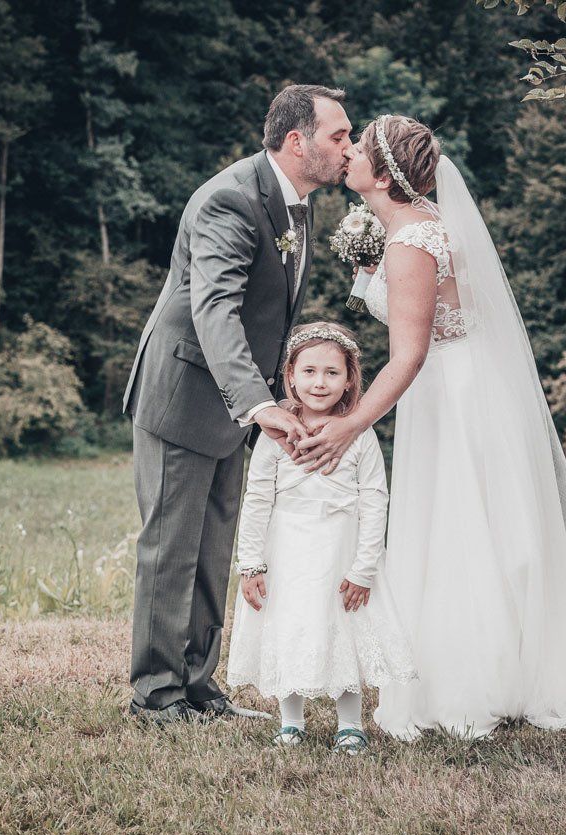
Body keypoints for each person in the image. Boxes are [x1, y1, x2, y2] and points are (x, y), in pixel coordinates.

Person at [294, 115, 566, 739]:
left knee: (458, 523)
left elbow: (409, 354)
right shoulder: (415, 226)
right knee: (474, 521)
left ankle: (468, 684)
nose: (349, 152)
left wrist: (351, 424)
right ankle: (500, 666)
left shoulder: (412, 242)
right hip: (460, 380)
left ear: (383, 177)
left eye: (360, 146)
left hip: (447, 389)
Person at [120, 85, 353, 724]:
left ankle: (198, 686)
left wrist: (269, 399)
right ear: (297, 141)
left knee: (212, 549)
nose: (349, 147)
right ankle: (156, 696)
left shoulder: (296, 204)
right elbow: (215, 309)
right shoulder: (230, 199)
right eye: (339, 135)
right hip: (185, 393)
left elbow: (268, 315)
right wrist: (258, 403)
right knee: (170, 549)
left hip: (230, 407)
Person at [226, 322, 415, 754]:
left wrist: (364, 569)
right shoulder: (275, 435)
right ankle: (291, 722)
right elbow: (257, 499)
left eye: (332, 372)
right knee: (288, 628)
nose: (319, 382)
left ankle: (350, 724)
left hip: (340, 551)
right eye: (309, 371)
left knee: (343, 630)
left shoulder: (359, 435)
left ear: (349, 379)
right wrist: (251, 564)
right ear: (290, 375)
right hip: (286, 551)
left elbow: (374, 500)